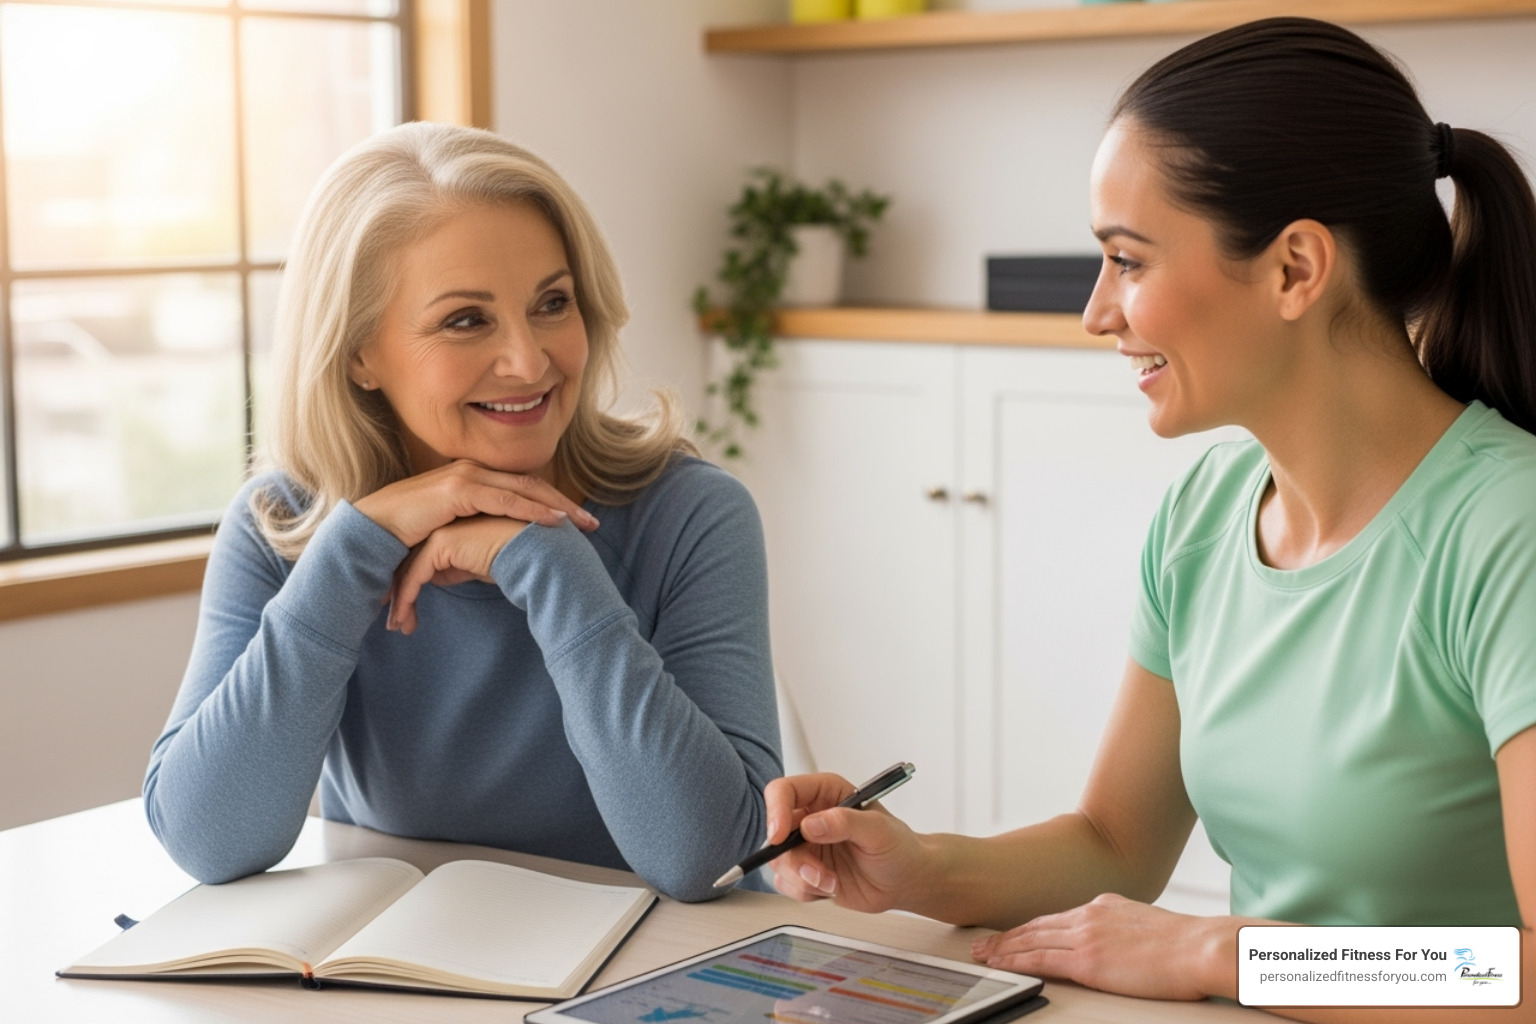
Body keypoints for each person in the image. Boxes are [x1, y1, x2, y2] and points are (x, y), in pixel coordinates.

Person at [764, 17, 1535, 1020]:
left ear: (1296, 268)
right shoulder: (1204, 515)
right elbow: (1116, 843)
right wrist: (914, 869)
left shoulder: (1507, 530)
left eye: (1129, 261)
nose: (1096, 311)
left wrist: (1226, 952)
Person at [143, 122, 782, 903]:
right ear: (358, 354)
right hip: (405, 978)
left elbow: (705, 856)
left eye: (553, 303)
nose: (529, 359)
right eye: (466, 320)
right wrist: (351, 555)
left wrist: (546, 559)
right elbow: (207, 837)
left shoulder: (691, 515)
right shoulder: (284, 526)